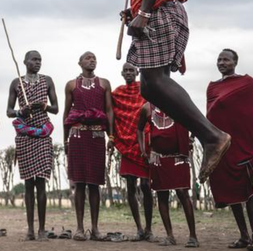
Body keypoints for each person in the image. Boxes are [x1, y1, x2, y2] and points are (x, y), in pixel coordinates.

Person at [113, 0, 231, 182]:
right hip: (171, 10)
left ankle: (212, 136)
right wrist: (148, 2)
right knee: (150, 87)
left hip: (158, 12)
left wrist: (145, 11)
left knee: (153, 82)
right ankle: (209, 136)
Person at [207, 49, 253, 251]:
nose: (222, 62)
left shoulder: (246, 83)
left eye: (226, 59)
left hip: (244, 145)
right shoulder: (212, 87)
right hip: (224, 146)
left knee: (248, 191)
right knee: (231, 191)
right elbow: (210, 116)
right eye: (219, 59)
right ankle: (243, 236)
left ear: (235, 62)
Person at [6, 50, 58, 241]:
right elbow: (8, 111)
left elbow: (56, 109)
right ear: (25, 61)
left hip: (43, 134)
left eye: (40, 60)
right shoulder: (16, 83)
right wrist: (21, 111)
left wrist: (43, 106)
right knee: (29, 183)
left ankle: (42, 229)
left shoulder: (48, 81)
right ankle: (30, 229)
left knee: (41, 182)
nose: (38, 63)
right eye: (34, 60)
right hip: (25, 136)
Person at [64, 51, 113, 241]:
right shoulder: (70, 85)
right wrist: (65, 139)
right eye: (87, 57)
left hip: (97, 136)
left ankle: (95, 228)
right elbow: (66, 113)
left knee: (94, 183)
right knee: (79, 183)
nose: (92, 60)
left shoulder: (104, 84)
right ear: (79, 63)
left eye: (94, 58)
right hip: (76, 135)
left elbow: (109, 111)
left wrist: (112, 136)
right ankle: (78, 228)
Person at [137, 103, 198, 247]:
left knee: (183, 193)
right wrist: (142, 148)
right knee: (161, 195)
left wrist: (191, 138)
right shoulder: (147, 108)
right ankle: (170, 236)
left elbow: (196, 120)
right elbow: (139, 129)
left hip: (178, 156)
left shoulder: (177, 102)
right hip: (158, 157)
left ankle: (193, 236)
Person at [111, 62, 154, 241]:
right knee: (130, 186)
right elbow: (111, 113)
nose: (129, 73)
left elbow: (151, 112)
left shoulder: (145, 90)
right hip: (126, 141)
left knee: (146, 185)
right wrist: (112, 137)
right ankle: (139, 228)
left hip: (143, 141)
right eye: (126, 70)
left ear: (137, 72)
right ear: (122, 73)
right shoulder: (117, 94)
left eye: (131, 70)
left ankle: (149, 229)